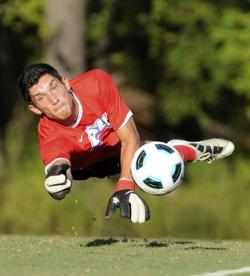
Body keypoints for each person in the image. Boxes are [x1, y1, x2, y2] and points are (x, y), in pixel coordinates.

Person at [18, 63, 235, 224]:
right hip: (82, 167)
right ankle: (175, 149)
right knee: (67, 176)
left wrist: (124, 186)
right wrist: (58, 178)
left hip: (118, 150)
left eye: (53, 87)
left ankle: (180, 151)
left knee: (148, 161)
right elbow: (58, 163)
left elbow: (130, 136)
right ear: (35, 109)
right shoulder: (49, 133)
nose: (53, 99)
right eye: (41, 98)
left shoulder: (96, 83)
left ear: (66, 83)